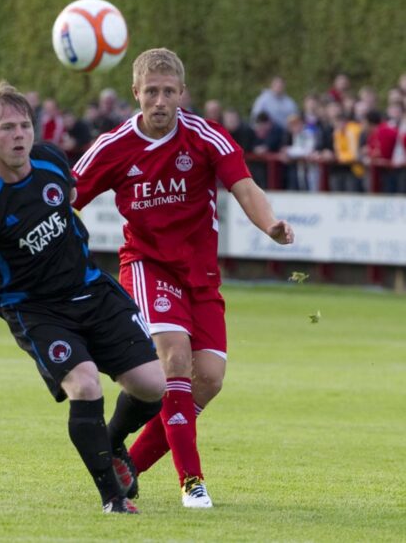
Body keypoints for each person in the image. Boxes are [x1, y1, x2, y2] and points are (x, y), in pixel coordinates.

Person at [0, 80, 166, 514]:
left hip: (91, 288)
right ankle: (112, 498)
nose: (18, 135)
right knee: (85, 382)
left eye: (24, 126)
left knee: (154, 387)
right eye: (6, 128)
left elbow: (70, 199)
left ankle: (110, 443)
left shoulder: (52, 161)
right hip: (35, 310)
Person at [72, 48, 294, 508]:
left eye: (168, 92)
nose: (159, 101)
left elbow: (245, 186)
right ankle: (192, 482)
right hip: (147, 266)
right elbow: (66, 197)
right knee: (174, 356)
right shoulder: (113, 147)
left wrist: (270, 224)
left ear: (181, 93)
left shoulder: (205, 137)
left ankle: (123, 459)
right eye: (150, 92)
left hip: (201, 275)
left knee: (208, 379)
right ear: (136, 93)